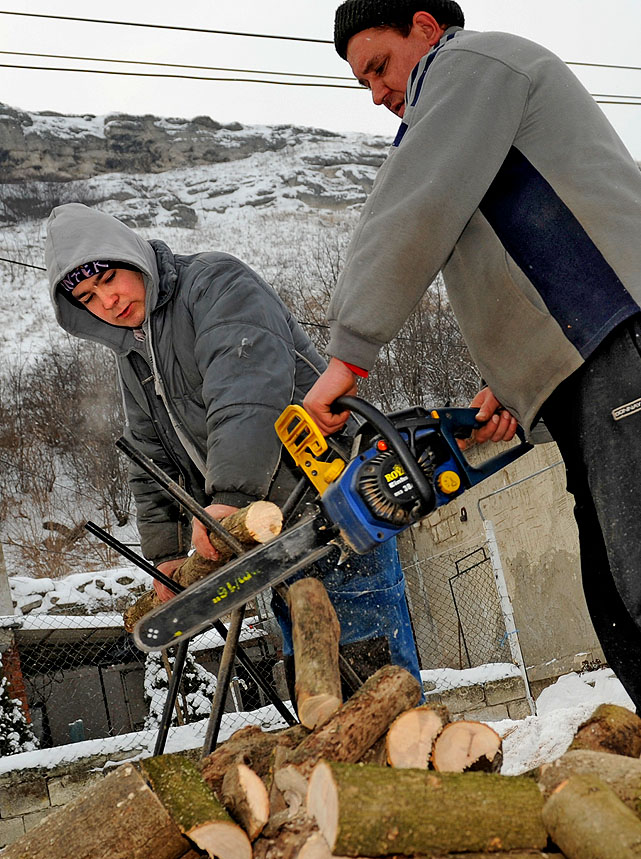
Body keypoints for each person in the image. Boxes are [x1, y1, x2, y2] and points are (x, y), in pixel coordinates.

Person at [304, 1, 641, 709]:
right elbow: (515, 260)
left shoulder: (467, 65)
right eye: (360, 82)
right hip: (588, 359)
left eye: (378, 66)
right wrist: (510, 383)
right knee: (614, 593)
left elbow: (412, 210)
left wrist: (347, 357)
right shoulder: (466, 110)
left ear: (424, 27)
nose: (375, 93)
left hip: (619, 338)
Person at [44, 203, 421, 697]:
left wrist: (228, 494)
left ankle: (407, 766)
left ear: (131, 257)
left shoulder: (215, 283)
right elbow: (153, 458)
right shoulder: (136, 352)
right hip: (271, 532)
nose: (108, 302)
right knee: (317, 686)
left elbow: (248, 388)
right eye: (89, 297)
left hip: (331, 499)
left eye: (110, 279)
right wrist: (168, 554)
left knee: (372, 673)